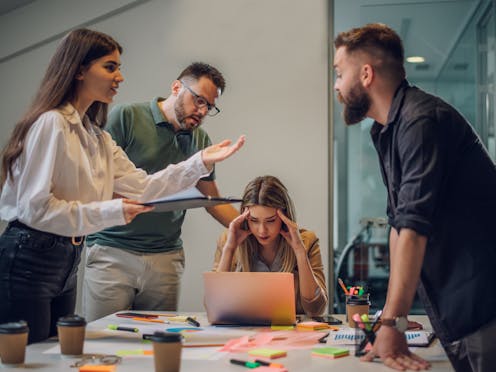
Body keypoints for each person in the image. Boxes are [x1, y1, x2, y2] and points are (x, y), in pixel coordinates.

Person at [0, 28, 244, 344]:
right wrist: (114, 211)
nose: (120, 78)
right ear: (78, 70)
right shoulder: (52, 123)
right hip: (30, 256)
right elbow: (37, 209)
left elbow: (143, 186)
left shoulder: (96, 136)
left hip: (67, 257)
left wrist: (200, 162)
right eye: (110, 67)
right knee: (27, 357)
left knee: (55, 354)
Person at [333, 23, 496, 372]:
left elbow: (413, 227)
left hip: (482, 308)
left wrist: (392, 324)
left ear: (365, 74)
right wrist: (395, 321)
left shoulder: (421, 121)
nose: (336, 86)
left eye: (339, 72)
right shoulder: (388, 130)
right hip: (454, 311)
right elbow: (398, 226)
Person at [83, 62, 241, 321]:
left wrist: (248, 226)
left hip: (165, 257)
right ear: (177, 87)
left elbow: (210, 198)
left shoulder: (200, 141)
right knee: (103, 342)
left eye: (209, 107)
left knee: (158, 345)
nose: (202, 111)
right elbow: (98, 181)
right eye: (198, 100)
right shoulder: (126, 117)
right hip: (112, 250)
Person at [213, 175, 328, 316]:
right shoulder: (229, 241)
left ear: (284, 217)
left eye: (271, 221)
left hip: (291, 333)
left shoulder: (307, 241)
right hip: (243, 331)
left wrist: (299, 252)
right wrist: (230, 249)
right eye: (254, 220)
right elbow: (215, 308)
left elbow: (316, 310)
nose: (262, 230)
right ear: (244, 218)